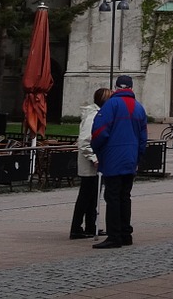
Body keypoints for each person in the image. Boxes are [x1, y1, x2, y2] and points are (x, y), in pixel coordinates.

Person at [90, 74, 148, 249]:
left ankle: (114, 235)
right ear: (131, 88)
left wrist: (98, 152)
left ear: (116, 87)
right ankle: (125, 234)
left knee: (112, 196)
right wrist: (138, 157)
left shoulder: (111, 105)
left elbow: (99, 132)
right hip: (130, 158)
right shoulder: (139, 108)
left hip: (113, 158)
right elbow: (143, 137)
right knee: (125, 196)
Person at [70, 87, 107, 240]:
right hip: (90, 164)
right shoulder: (92, 116)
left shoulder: (99, 114)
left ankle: (91, 226)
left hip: (94, 164)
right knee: (86, 196)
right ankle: (76, 228)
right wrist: (94, 158)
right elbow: (84, 141)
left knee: (93, 196)